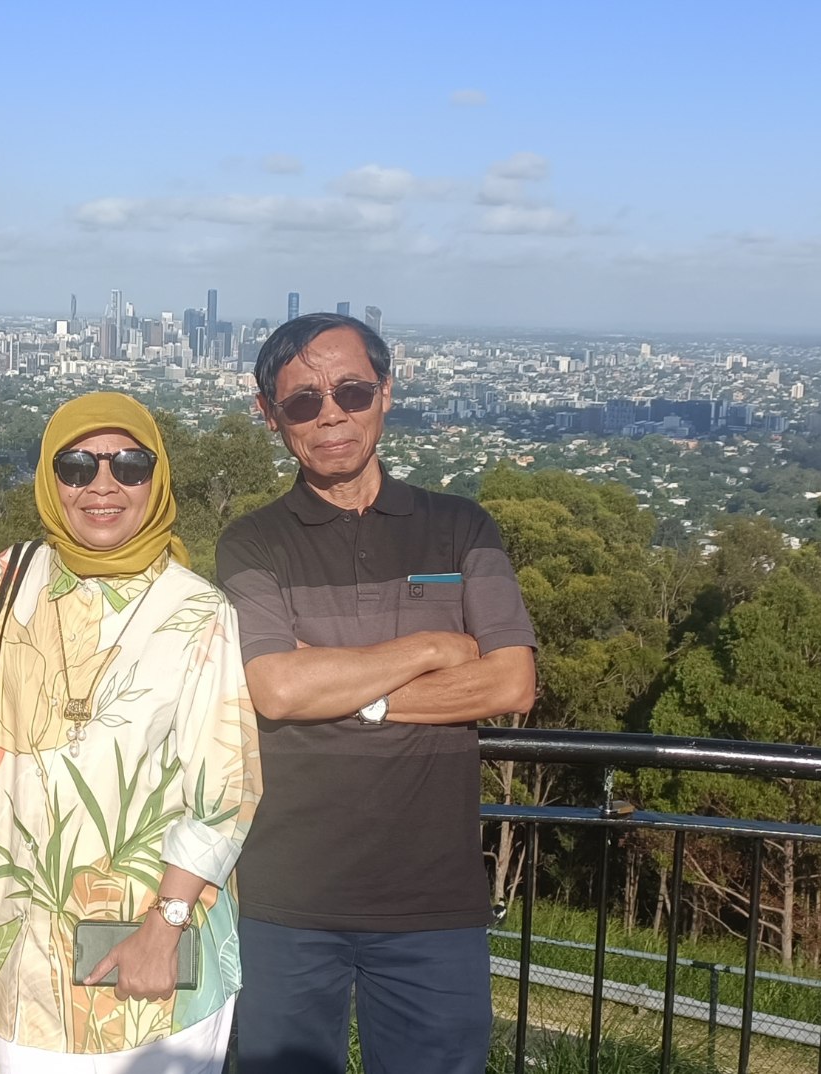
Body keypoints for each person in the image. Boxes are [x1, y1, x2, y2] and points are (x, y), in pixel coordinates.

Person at [216, 313, 538, 1074]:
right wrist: (430, 649)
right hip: (285, 901)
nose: (330, 414)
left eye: (352, 392)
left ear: (386, 393)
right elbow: (278, 689)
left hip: (433, 902)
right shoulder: (252, 542)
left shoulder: (462, 527)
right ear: (270, 415)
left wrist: (352, 689)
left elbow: (510, 681)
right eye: (303, 401)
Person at [0, 392, 261, 1073]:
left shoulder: (199, 612)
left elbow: (226, 790)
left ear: (156, 478)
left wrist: (164, 928)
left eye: (129, 465)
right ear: (52, 480)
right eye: (76, 466)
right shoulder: (9, 579)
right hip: (27, 948)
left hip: (157, 945)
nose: (102, 485)